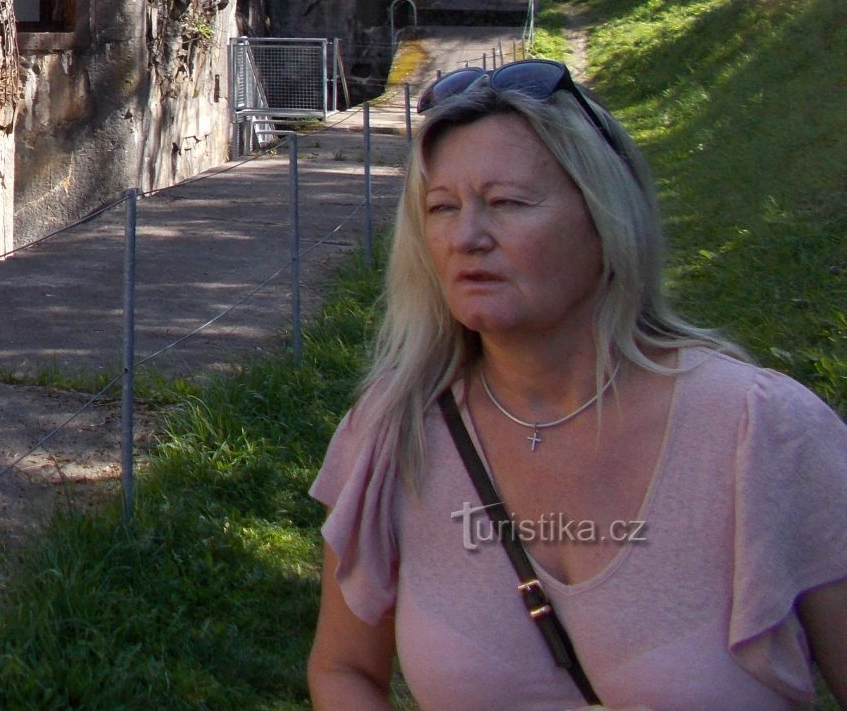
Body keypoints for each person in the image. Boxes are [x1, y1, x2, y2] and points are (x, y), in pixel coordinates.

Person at [306, 59, 847, 711]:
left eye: (506, 202)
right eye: (441, 208)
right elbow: (341, 671)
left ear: (605, 217)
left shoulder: (761, 429)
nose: (466, 237)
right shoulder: (391, 434)